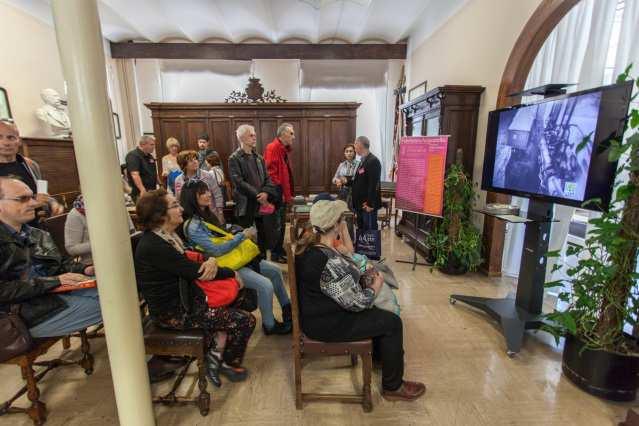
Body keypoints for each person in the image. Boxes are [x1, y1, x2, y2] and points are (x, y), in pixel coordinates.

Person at [294, 197, 425, 401]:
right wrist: (375, 286)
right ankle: (393, 386)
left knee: (382, 315)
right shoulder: (326, 260)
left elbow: (340, 283)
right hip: (326, 324)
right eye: (341, 220)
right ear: (336, 225)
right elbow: (357, 304)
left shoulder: (313, 248)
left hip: (319, 315)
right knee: (392, 322)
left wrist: (363, 278)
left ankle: (383, 358)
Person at [134, 189, 255, 386]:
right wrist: (231, 273)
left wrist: (211, 261)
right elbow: (197, 272)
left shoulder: (165, 235)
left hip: (187, 298)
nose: (181, 208)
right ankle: (223, 362)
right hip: (175, 313)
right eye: (174, 205)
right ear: (160, 214)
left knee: (245, 297)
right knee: (246, 321)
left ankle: (215, 346)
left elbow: (191, 259)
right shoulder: (154, 245)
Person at [180, 180, 292, 335]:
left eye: (207, 190)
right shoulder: (193, 225)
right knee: (265, 285)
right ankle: (270, 325)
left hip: (233, 258)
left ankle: (288, 310)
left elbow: (221, 236)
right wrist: (241, 236)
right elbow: (216, 250)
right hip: (224, 265)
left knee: (275, 271)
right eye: (202, 192)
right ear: (192, 197)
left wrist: (236, 233)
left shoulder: (205, 215)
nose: (208, 194)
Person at [0, 177, 101, 339]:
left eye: (32, 197)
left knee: (117, 289)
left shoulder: (37, 234)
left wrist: (85, 269)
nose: (34, 203)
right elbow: (3, 291)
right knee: (113, 305)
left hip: (50, 296)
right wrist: (55, 281)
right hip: (18, 316)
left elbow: (59, 264)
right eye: (22, 199)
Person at [0, 118, 63, 226]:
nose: (6, 142)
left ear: (18, 141)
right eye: (0, 137)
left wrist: (52, 203)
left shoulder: (31, 165)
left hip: (38, 230)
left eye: (11, 137)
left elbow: (43, 193)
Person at [228, 124, 279, 255]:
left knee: (263, 236)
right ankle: (250, 264)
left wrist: (266, 193)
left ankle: (262, 262)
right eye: (251, 135)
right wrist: (258, 195)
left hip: (261, 203)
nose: (255, 137)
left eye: (255, 134)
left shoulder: (259, 158)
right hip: (247, 204)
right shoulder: (234, 158)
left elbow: (268, 179)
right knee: (247, 237)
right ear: (242, 138)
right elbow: (238, 182)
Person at [64, 194, 135, 264]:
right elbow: (71, 248)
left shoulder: (117, 203)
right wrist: (102, 243)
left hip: (123, 257)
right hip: (93, 264)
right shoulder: (75, 214)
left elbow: (131, 231)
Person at [264, 123, 295, 264]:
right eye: (291, 133)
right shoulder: (273, 147)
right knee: (277, 225)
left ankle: (279, 249)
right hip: (277, 193)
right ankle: (275, 254)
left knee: (282, 224)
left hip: (282, 192)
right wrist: (279, 192)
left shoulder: (283, 149)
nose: (293, 137)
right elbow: (271, 172)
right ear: (282, 134)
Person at [174, 150, 225, 224]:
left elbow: (218, 195)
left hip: (210, 215)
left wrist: (220, 213)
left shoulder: (208, 175)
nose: (195, 162)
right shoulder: (178, 180)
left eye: (196, 159)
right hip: (190, 218)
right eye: (191, 160)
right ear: (183, 164)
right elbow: (178, 200)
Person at [351, 136, 382, 231]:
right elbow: (359, 180)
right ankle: (362, 246)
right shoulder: (363, 160)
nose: (354, 148)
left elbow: (373, 185)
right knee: (362, 231)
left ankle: (370, 246)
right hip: (361, 204)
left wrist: (370, 204)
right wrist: (346, 181)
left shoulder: (373, 161)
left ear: (360, 145)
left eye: (355, 145)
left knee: (370, 231)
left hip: (367, 205)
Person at [125, 135, 159, 201]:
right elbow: (135, 174)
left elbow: (153, 172)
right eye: (151, 145)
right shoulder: (133, 156)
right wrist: (142, 189)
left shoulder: (149, 156)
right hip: (140, 192)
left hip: (151, 191)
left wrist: (160, 184)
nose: (154, 147)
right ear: (143, 144)